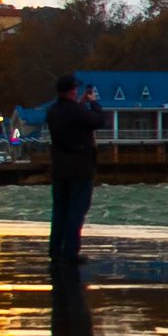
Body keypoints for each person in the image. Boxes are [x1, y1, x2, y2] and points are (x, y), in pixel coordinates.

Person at [45, 74, 107, 261]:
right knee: (76, 210)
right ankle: (71, 252)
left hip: (60, 167)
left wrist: (80, 104)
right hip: (80, 167)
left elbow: (72, 117)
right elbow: (99, 121)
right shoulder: (77, 111)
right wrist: (94, 103)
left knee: (60, 210)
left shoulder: (52, 111)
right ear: (72, 91)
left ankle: (55, 250)